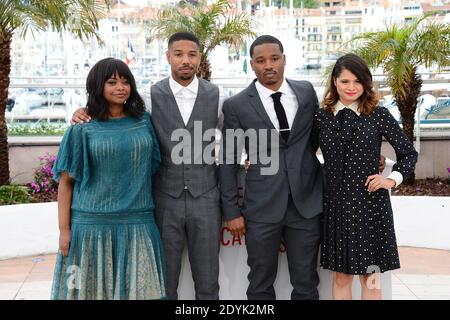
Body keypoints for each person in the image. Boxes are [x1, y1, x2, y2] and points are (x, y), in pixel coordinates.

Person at [71, 32, 227, 300]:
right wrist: (80, 111)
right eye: (178, 54)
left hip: (207, 199)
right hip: (165, 200)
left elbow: (232, 144)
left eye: (191, 54)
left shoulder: (220, 97)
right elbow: (113, 115)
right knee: (163, 283)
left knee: (208, 282)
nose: (185, 60)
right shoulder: (148, 97)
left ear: (200, 58)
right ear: (168, 57)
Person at [51, 58, 166, 300]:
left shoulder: (144, 121)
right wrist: (64, 231)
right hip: (90, 227)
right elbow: (66, 182)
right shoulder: (81, 128)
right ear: (97, 86)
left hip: (138, 223)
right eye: (112, 82)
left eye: (125, 82)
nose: (121, 87)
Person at [219, 35, 323, 300]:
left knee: (307, 283)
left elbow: (320, 139)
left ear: (284, 60)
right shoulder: (236, 105)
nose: (269, 65)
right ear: (251, 65)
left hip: (306, 205)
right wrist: (232, 211)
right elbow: (229, 160)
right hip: (261, 208)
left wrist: (369, 156)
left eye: (274, 58)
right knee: (260, 284)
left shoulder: (306, 92)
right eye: (260, 60)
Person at [313, 53, 418, 300]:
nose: (351, 88)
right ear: (334, 82)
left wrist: (391, 180)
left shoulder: (379, 115)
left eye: (358, 81)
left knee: (371, 278)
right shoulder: (321, 117)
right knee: (341, 277)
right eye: (345, 81)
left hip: (371, 206)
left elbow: (409, 153)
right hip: (336, 207)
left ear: (366, 83)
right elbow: (302, 155)